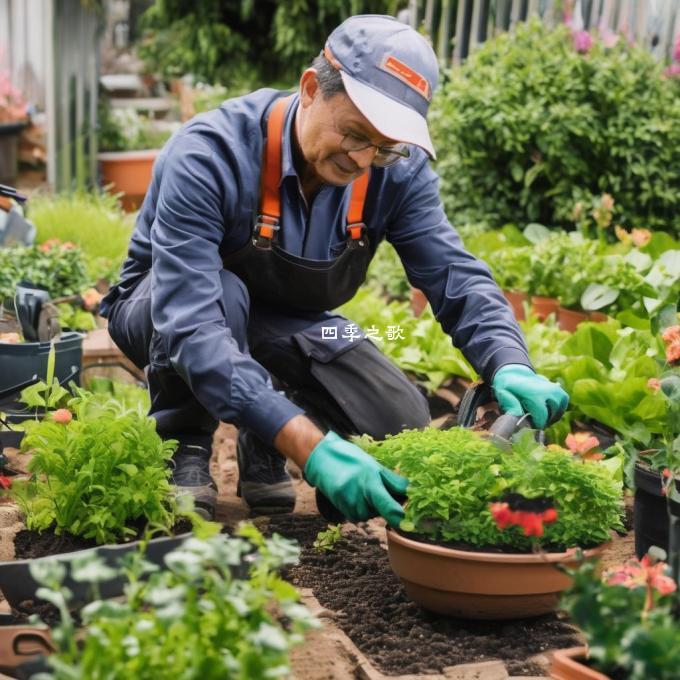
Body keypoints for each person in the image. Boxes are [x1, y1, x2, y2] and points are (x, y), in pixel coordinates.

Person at [101, 15, 569, 523]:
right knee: (223, 294)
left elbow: (454, 274)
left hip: (288, 321)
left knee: (399, 420)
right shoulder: (209, 154)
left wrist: (508, 360)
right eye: (355, 134)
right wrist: (311, 445)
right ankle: (185, 442)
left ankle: (264, 437)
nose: (365, 159)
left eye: (386, 146)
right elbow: (190, 323)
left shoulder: (396, 173)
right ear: (309, 88)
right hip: (164, 311)